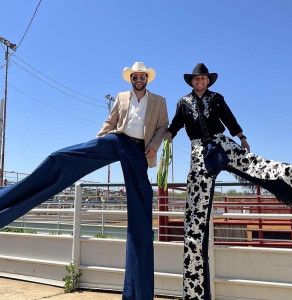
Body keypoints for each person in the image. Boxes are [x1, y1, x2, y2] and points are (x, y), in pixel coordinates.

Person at [0, 61, 169, 300]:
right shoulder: (121, 97)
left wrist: (153, 146)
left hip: (140, 151)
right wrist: (99, 142)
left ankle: (137, 294)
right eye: (135, 76)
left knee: (141, 216)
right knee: (61, 157)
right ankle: (3, 201)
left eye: (142, 76)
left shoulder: (159, 101)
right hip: (117, 141)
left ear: (147, 79)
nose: (138, 79)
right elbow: (110, 122)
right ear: (131, 79)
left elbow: (162, 126)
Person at [165, 63, 292, 300]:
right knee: (194, 219)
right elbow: (176, 124)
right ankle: (194, 292)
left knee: (259, 167)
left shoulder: (217, 98)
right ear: (192, 82)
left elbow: (229, 118)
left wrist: (241, 136)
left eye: (203, 79)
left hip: (222, 144)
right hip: (199, 153)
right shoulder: (182, 102)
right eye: (197, 79)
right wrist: (167, 135)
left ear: (208, 81)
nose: (200, 82)